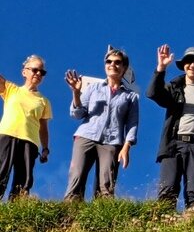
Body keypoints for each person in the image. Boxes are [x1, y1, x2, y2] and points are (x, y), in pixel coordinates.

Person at [146, 44, 194, 212]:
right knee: (168, 188)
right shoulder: (174, 87)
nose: (193, 65)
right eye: (189, 61)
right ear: (184, 65)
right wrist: (161, 68)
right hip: (173, 143)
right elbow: (153, 93)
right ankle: (163, 225)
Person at [63, 48, 140, 201]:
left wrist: (127, 146)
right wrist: (76, 93)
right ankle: (70, 216)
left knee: (106, 182)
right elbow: (77, 114)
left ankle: (103, 218)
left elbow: (132, 124)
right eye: (109, 61)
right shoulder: (93, 88)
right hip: (86, 136)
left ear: (124, 68)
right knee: (76, 176)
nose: (113, 65)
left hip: (112, 141)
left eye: (118, 62)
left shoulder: (131, 96)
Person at [0, 55, 52, 200]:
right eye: (35, 70)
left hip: (30, 142)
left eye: (42, 72)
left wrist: (45, 148)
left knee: (24, 180)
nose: (38, 74)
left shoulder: (44, 101)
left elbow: (43, 127)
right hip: (6, 135)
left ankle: (17, 211)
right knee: (0, 172)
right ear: (24, 72)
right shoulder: (11, 89)